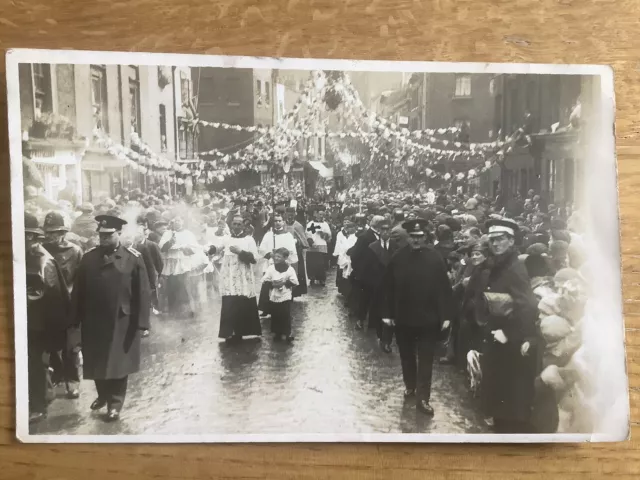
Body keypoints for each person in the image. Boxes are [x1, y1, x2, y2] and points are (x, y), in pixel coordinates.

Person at [70, 214, 151, 422]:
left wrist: (142, 323)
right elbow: (78, 291)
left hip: (121, 320)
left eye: (108, 236)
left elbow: (142, 292)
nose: (103, 239)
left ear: (119, 234)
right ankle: (103, 395)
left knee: (118, 363)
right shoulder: (89, 258)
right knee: (96, 360)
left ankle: (115, 403)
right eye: (101, 236)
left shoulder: (132, 258)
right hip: (94, 320)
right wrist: (74, 319)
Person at [382, 218, 453, 415]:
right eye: (413, 236)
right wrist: (387, 314)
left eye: (420, 236)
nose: (416, 240)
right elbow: (388, 288)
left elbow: (443, 289)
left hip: (428, 320)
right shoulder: (397, 258)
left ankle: (423, 399)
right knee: (406, 356)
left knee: (426, 360)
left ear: (425, 237)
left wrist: (446, 315)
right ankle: (410, 386)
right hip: (403, 318)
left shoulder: (435, 258)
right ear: (408, 237)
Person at [481, 218, 539, 433]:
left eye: (501, 240)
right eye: (492, 240)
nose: (496, 244)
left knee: (506, 389)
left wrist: (509, 333)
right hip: (496, 334)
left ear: (511, 241)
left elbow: (528, 306)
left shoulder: (514, 268)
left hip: (507, 339)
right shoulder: (500, 263)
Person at [25, 213, 71, 424]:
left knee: (36, 363)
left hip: (36, 324)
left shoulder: (44, 261)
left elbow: (50, 297)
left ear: (33, 238)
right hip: (28, 321)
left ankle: (38, 405)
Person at [42, 211, 83, 399]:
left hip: (70, 305)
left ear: (63, 232)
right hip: (49, 305)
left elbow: (81, 279)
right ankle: (58, 374)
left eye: (56, 232)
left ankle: (72, 382)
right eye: (49, 232)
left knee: (71, 348)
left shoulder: (74, 251)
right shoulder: (41, 251)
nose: (52, 236)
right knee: (52, 346)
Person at [211, 214, 262, 343]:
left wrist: (240, 252)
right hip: (229, 278)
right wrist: (210, 249)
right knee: (230, 301)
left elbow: (255, 258)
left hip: (244, 277)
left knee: (243, 300)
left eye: (240, 224)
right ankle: (230, 332)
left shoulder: (249, 240)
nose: (237, 226)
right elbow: (216, 248)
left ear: (244, 226)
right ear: (231, 225)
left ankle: (244, 331)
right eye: (235, 224)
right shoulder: (226, 239)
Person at [363, 219, 396, 352]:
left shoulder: (395, 246)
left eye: (388, 230)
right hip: (376, 285)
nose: (386, 232)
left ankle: (386, 340)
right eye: (383, 230)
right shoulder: (372, 247)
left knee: (390, 312)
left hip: (392, 285)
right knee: (377, 311)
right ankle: (380, 334)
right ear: (379, 231)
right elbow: (368, 267)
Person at [261, 247, 299, 343]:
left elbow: (295, 282)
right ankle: (276, 332)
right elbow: (265, 280)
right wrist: (272, 284)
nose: (276, 258)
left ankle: (287, 333)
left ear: (285, 258)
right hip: (274, 295)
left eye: (279, 257)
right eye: (275, 256)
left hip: (285, 295)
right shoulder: (271, 268)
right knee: (275, 314)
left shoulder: (290, 269)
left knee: (285, 314)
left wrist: (285, 283)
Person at [284, 206, 308, 297]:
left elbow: (303, 240)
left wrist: (297, 242)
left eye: (292, 215)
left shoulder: (298, 225)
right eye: (288, 215)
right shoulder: (282, 225)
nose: (290, 217)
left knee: (296, 271)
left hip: (296, 251)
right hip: (284, 252)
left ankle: (295, 292)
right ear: (285, 215)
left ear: (294, 215)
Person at [305, 209, 332, 286]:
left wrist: (323, 234)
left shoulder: (325, 224)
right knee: (311, 263)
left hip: (322, 245)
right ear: (315, 214)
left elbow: (329, 235)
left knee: (321, 264)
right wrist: (311, 243)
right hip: (312, 246)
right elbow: (307, 234)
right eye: (320, 214)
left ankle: (321, 279)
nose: (321, 216)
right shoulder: (310, 224)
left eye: (322, 215)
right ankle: (312, 278)